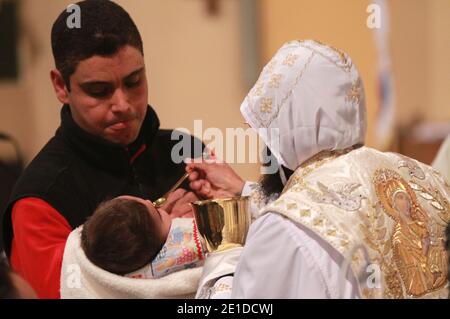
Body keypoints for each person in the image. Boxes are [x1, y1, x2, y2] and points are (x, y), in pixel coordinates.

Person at [187, 40, 450, 298]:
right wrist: (245, 193)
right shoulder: (425, 179)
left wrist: (224, 256)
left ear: (282, 134)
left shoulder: (280, 230)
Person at [0, 0, 201, 299]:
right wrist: (172, 236)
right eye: (99, 91)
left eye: (134, 82)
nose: (122, 105)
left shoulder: (187, 151)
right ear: (60, 86)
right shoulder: (38, 202)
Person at [59, 196, 204, 298]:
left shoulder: (90, 250)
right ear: (158, 251)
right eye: (159, 214)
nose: (149, 201)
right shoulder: (183, 251)